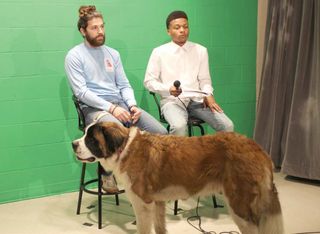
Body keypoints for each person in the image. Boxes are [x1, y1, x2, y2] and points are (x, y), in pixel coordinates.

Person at [65, 5, 167, 193]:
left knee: (160, 131)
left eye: (102, 26)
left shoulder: (113, 54)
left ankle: (152, 178)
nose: (100, 31)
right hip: (94, 109)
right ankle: (107, 176)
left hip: (120, 105)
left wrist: (132, 105)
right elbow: (81, 92)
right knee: (115, 131)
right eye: (94, 28)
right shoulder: (74, 56)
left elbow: (124, 85)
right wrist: (111, 109)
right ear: (82, 30)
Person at [144, 10, 234, 136]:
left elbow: (205, 80)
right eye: (177, 27)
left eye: (185, 27)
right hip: (172, 101)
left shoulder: (201, 50)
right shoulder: (159, 52)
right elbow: (149, 81)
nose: (182, 30)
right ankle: (178, 156)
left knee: (227, 125)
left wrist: (208, 94)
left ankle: (218, 156)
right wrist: (168, 89)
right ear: (168, 31)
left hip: (198, 101)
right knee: (179, 127)